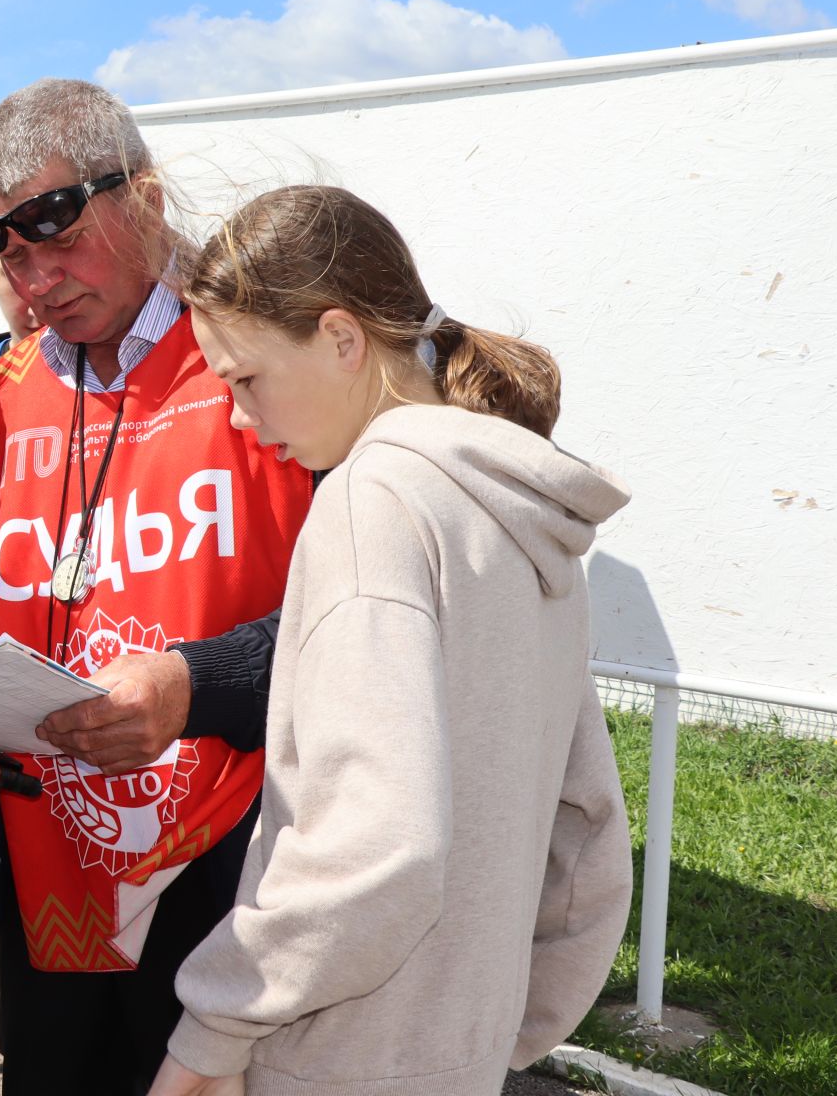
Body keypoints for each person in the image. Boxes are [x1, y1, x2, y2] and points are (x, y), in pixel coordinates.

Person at [150, 186, 633, 1096]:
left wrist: (211, 1032)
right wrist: (500, 1024)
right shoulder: (520, 513)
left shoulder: (371, 505)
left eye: (246, 381)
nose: (246, 423)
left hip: (339, 1060)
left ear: (341, 339)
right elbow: (588, 828)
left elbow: (376, 845)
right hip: (458, 1053)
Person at [0, 79, 316, 1094]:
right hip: (43, 871)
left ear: (148, 199)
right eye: (7, 251)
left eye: (55, 231)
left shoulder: (260, 361)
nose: (36, 277)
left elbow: (379, 617)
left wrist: (200, 684)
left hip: (232, 869)